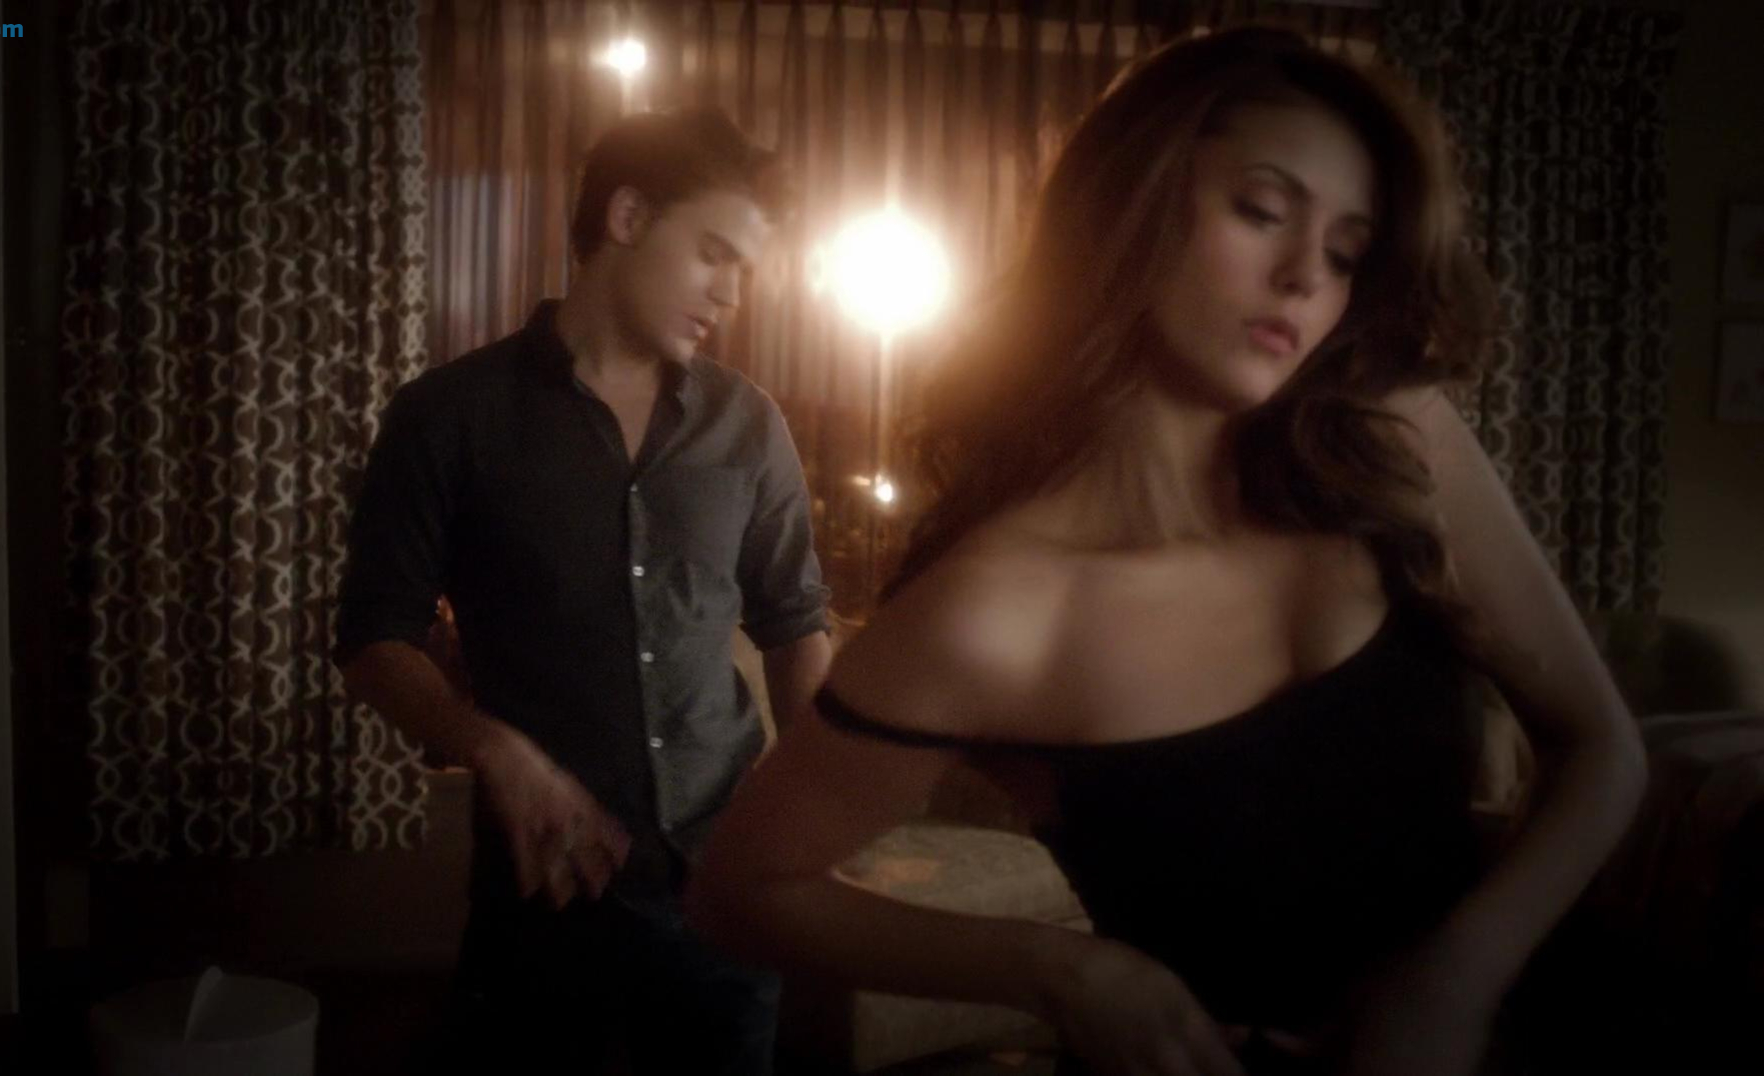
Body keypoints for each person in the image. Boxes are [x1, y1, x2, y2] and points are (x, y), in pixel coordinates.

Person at [686, 27, 1648, 1076]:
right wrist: (1063, 972)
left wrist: (1454, 979)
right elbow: (742, 890)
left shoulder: (1390, 441)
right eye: (1262, 211)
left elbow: (1603, 748)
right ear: (1129, 203)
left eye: (1344, 252)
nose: (1304, 277)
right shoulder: (995, 609)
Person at [334, 106, 833, 1074]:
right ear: (629, 215)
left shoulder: (750, 424)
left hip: (724, 884)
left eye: (746, 270)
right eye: (714, 254)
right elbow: (372, 638)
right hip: (545, 893)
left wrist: (814, 809)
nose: (733, 294)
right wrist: (495, 749)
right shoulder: (448, 416)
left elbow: (794, 621)